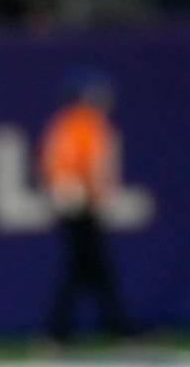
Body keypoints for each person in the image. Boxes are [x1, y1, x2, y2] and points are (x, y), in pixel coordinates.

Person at [38, 69, 132, 345]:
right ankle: (115, 329)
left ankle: (112, 328)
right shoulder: (87, 123)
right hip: (83, 204)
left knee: (88, 268)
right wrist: (99, 199)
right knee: (86, 268)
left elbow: (51, 165)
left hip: (68, 202)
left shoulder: (62, 123)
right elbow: (93, 165)